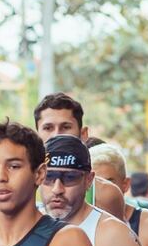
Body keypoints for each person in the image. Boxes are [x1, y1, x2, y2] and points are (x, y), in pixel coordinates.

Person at [32, 92, 127, 220]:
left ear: (83, 134)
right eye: (48, 128)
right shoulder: (19, 188)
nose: (57, 135)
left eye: (66, 127)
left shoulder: (105, 194)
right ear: (36, 137)